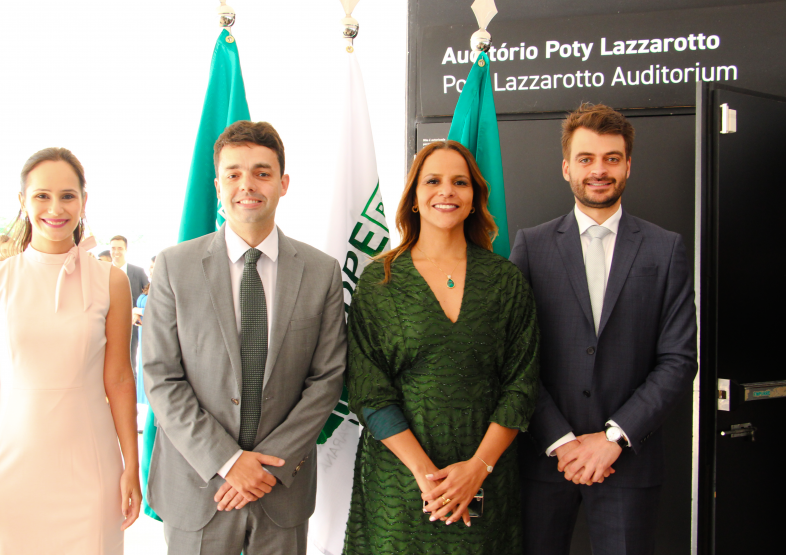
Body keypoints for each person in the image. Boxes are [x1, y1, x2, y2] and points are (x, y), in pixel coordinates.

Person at [142, 121, 346, 554]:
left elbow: (327, 380)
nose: (247, 185)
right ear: (217, 185)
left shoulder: (321, 272)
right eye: (233, 173)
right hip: (198, 489)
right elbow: (161, 378)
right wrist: (230, 462)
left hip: (282, 490)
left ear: (283, 183)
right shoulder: (174, 268)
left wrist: (268, 466)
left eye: (262, 172)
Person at [509, 103, 698, 555]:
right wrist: (562, 441)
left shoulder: (665, 249)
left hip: (628, 461)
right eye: (586, 158)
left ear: (628, 165)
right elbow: (514, 356)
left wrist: (612, 439)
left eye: (612, 158)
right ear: (566, 167)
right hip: (544, 458)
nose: (599, 170)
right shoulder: (531, 247)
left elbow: (678, 360)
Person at [343, 141, 539, 555]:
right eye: (433, 181)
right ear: (414, 197)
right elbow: (368, 391)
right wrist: (427, 476)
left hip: (485, 478)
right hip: (399, 485)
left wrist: (476, 470)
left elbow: (521, 386)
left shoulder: (506, 281)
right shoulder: (379, 281)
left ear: (474, 199)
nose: (446, 191)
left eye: (460, 182)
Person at [0, 147, 141, 553]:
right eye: (42, 195)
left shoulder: (110, 281)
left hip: (91, 469)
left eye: (68, 195)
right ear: (23, 201)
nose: (55, 207)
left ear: (83, 202)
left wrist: (132, 466)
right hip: (10, 469)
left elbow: (120, 380)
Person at [110, 235, 148, 372]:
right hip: (109, 324)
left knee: (130, 363)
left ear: (126, 250)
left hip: (132, 324)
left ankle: (132, 392)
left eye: (120, 248)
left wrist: (137, 311)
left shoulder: (137, 272)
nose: (116, 252)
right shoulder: (104, 271)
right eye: (113, 248)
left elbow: (149, 293)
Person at [133, 255, 155, 430]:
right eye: (150, 267)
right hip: (142, 333)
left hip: (154, 336)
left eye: (155, 267)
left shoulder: (164, 286)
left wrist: (137, 310)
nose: (151, 270)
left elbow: (158, 312)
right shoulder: (148, 288)